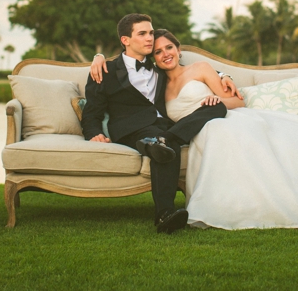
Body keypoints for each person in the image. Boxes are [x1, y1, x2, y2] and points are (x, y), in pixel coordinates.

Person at [151, 29, 298, 229]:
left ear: (179, 49)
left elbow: (237, 102)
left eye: (169, 47)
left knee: (222, 130)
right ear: (153, 58)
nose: (165, 54)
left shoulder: (200, 68)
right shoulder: (156, 85)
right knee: (212, 135)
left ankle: (167, 142)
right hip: (193, 132)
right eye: (158, 52)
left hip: (220, 119)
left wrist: (216, 101)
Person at [82, 13, 238, 234]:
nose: (149, 38)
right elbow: (92, 111)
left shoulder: (159, 67)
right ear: (125, 40)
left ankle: (160, 141)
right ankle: (165, 214)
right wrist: (94, 133)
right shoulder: (105, 71)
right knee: (166, 146)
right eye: (142, 33)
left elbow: (187, 71)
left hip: (165, 126)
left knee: (215, 107)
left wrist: (223, 75)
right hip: (129, 128)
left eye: (151, 33)